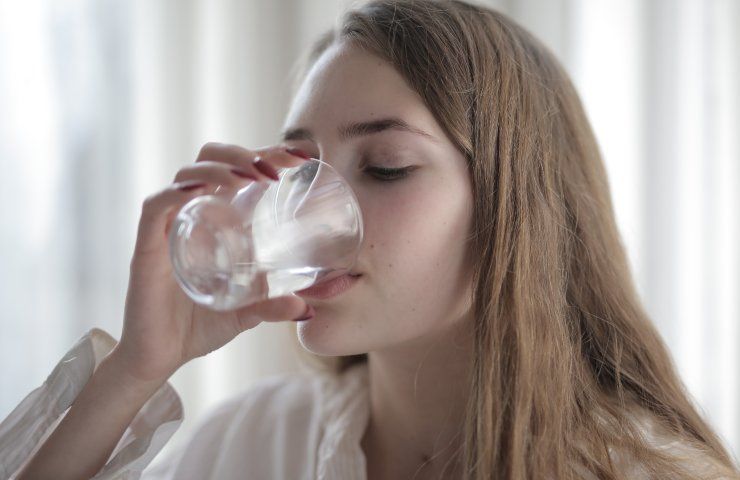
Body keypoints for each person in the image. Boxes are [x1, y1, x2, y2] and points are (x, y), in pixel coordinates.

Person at [2, 0, 739, 479]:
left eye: (385, 167)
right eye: (300, 169)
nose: (312, 214)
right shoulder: (260, 443)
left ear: (515, 209)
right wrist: (135, 369)